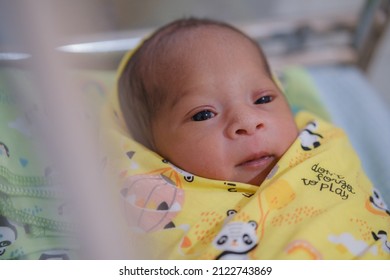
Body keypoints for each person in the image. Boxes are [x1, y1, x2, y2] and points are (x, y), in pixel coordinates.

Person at [107, 17, 390, 259]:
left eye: (264, 98)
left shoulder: (320, 147)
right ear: (151, 147)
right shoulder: (155, 206)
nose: (248, 122)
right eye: (204, 114)